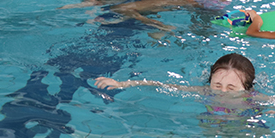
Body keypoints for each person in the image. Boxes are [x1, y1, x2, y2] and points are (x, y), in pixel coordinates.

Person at [95, 52, 255, 93]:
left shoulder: (252, 100)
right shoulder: (205, 92)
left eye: (231, 88)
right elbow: (160, 85)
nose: (222, 92)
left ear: (247, 88)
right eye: (217, 85)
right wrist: (122, 84)